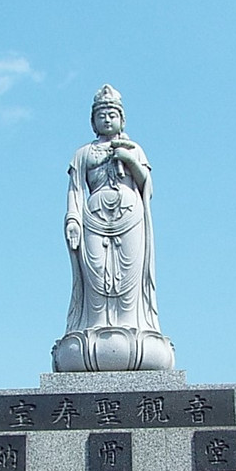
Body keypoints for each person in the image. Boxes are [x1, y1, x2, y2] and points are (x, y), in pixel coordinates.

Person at [63, 85, 162, 334]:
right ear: (93, 122)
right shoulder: (83, 154)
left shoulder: (134, 149)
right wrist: (72, 220)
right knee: (96, 275)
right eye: (101, 115)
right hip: (94, 218)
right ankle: (96, 328)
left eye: (112, 115)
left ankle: (132, 327)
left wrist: (128, 160)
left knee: (129, 276)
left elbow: (147, 187)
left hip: (130, 216)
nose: (107, 119)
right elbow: (75, 189)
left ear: (122, 119)